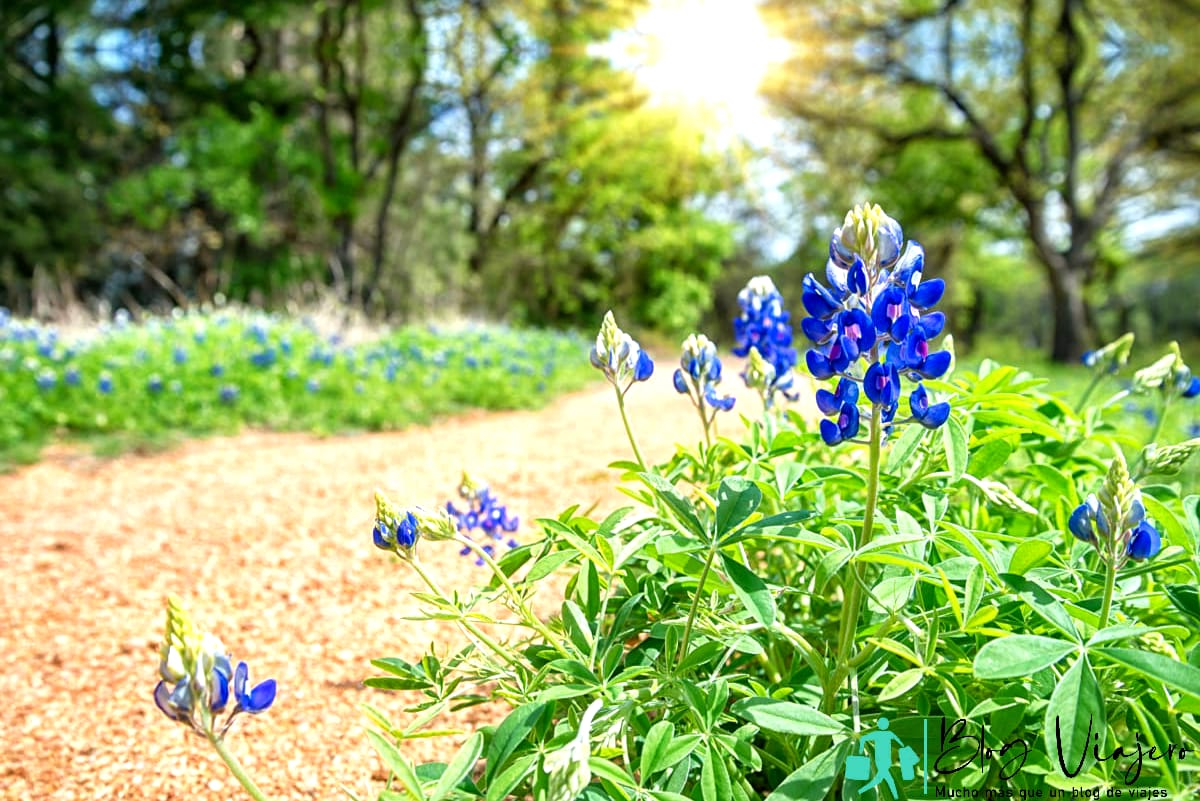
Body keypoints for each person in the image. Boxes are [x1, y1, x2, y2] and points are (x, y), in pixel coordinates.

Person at [858, 716, 904, 796]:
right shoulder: (888, 734)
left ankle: (861, 790)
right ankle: (895, 795)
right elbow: (900, 742)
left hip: (882, 760)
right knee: (886, 779)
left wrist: (861, 749)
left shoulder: (878, 734)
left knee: (880, 779)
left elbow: (863, 739)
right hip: (882, 760)